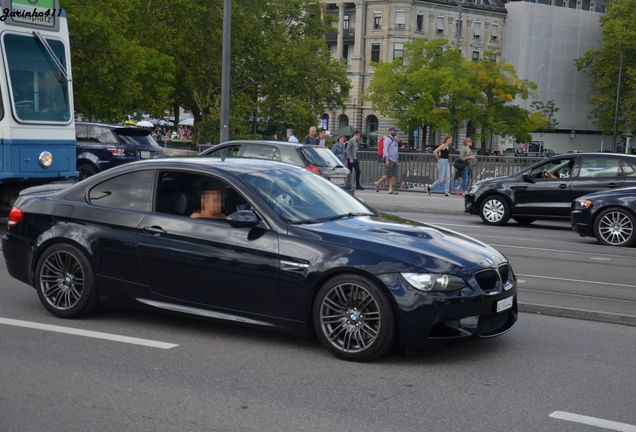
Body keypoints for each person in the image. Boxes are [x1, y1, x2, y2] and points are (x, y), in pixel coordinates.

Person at [372, 127, 399, 194]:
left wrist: (397, 158)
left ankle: (390, 189)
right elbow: (385, 149)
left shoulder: (394, 139)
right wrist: (386, 158)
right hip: (389, 159)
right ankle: (377, 183)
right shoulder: (387, 139)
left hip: (394, 159)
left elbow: (395, 149)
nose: (395, 132)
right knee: (387, 175)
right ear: (390, 131)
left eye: (396, 131)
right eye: (394, 131)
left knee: (394, 175)